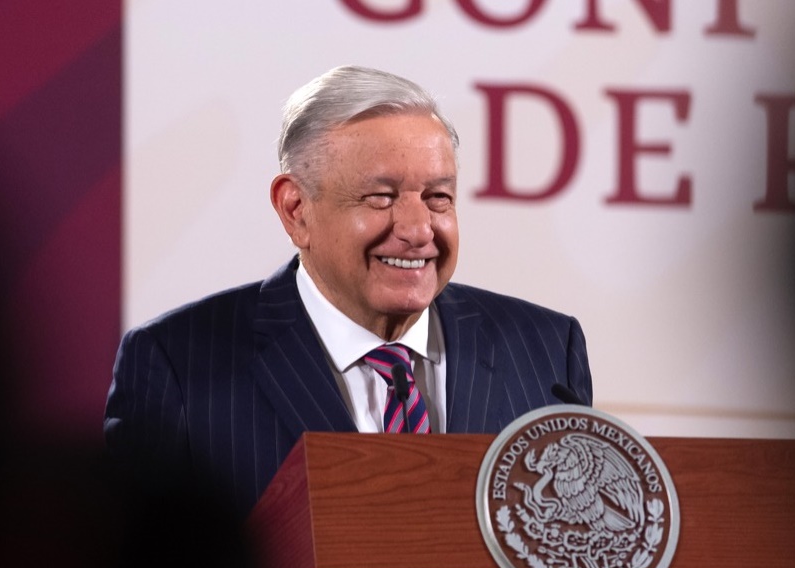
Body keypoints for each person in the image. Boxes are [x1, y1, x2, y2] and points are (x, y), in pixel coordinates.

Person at [104, 65, 592, 517]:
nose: (419, 229)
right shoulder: (179, 366)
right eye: (380, 198)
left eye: (437, 198)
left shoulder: (547, 352)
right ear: (296, 209)